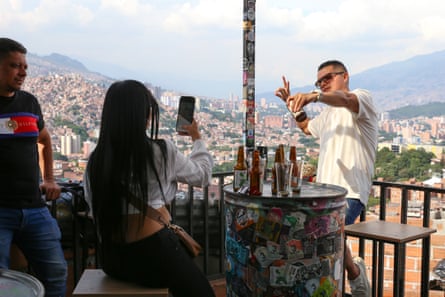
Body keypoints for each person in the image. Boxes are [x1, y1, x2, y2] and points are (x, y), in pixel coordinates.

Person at [84, 80, 215, 297]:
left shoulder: (95, 161)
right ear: (144, 117)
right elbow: (202, 176)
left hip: (111, 258)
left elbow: (91, 208)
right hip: (155, 255)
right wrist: (197, 138)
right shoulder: (160, 152)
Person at [275, 60, 378, 297]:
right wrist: (291, 105)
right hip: (325, 193)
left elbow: (345, 100)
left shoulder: (361, 97)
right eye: (319, 82)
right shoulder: (329, 114)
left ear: (345, 76)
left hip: (350, 192)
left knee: (322, 238)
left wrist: (313, 97)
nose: (323, 84)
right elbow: (306, 127)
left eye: (328, 78)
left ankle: (347, 278)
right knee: (323, 237)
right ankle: (353, 273)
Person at [0, 38, 67, 296]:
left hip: (34, 207)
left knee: (56, 273)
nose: (23, 72)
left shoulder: (29, 102)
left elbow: (45, 139)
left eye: (25, 66)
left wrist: (49, 178)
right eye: (15, 66)